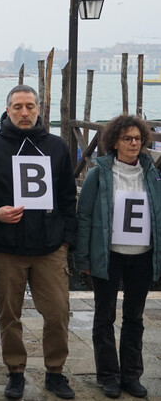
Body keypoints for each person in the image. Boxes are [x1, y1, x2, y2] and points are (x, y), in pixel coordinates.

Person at [0, 84, 77, 400]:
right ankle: (15, 372)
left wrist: (66, 242)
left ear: (40, 109)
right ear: (8, 110)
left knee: (58, 312)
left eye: (30, 106)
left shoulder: (57, 147)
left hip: (50, 247)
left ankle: (55, 372)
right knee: (9, 316)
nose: (24, 112)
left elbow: (69, 198)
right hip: (6, 248)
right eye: (17, 106)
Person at [74, 115, 160, 399]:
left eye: (137, 138)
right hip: (108, 254)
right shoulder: (99, 173)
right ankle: (108, 375)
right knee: (104, 316)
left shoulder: (151, 173)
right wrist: (83, 259)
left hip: (142, 256)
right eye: (127, 138)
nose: (134, 143)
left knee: (134, 317)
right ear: (114, 142)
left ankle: (131, 374)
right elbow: (84, 215)